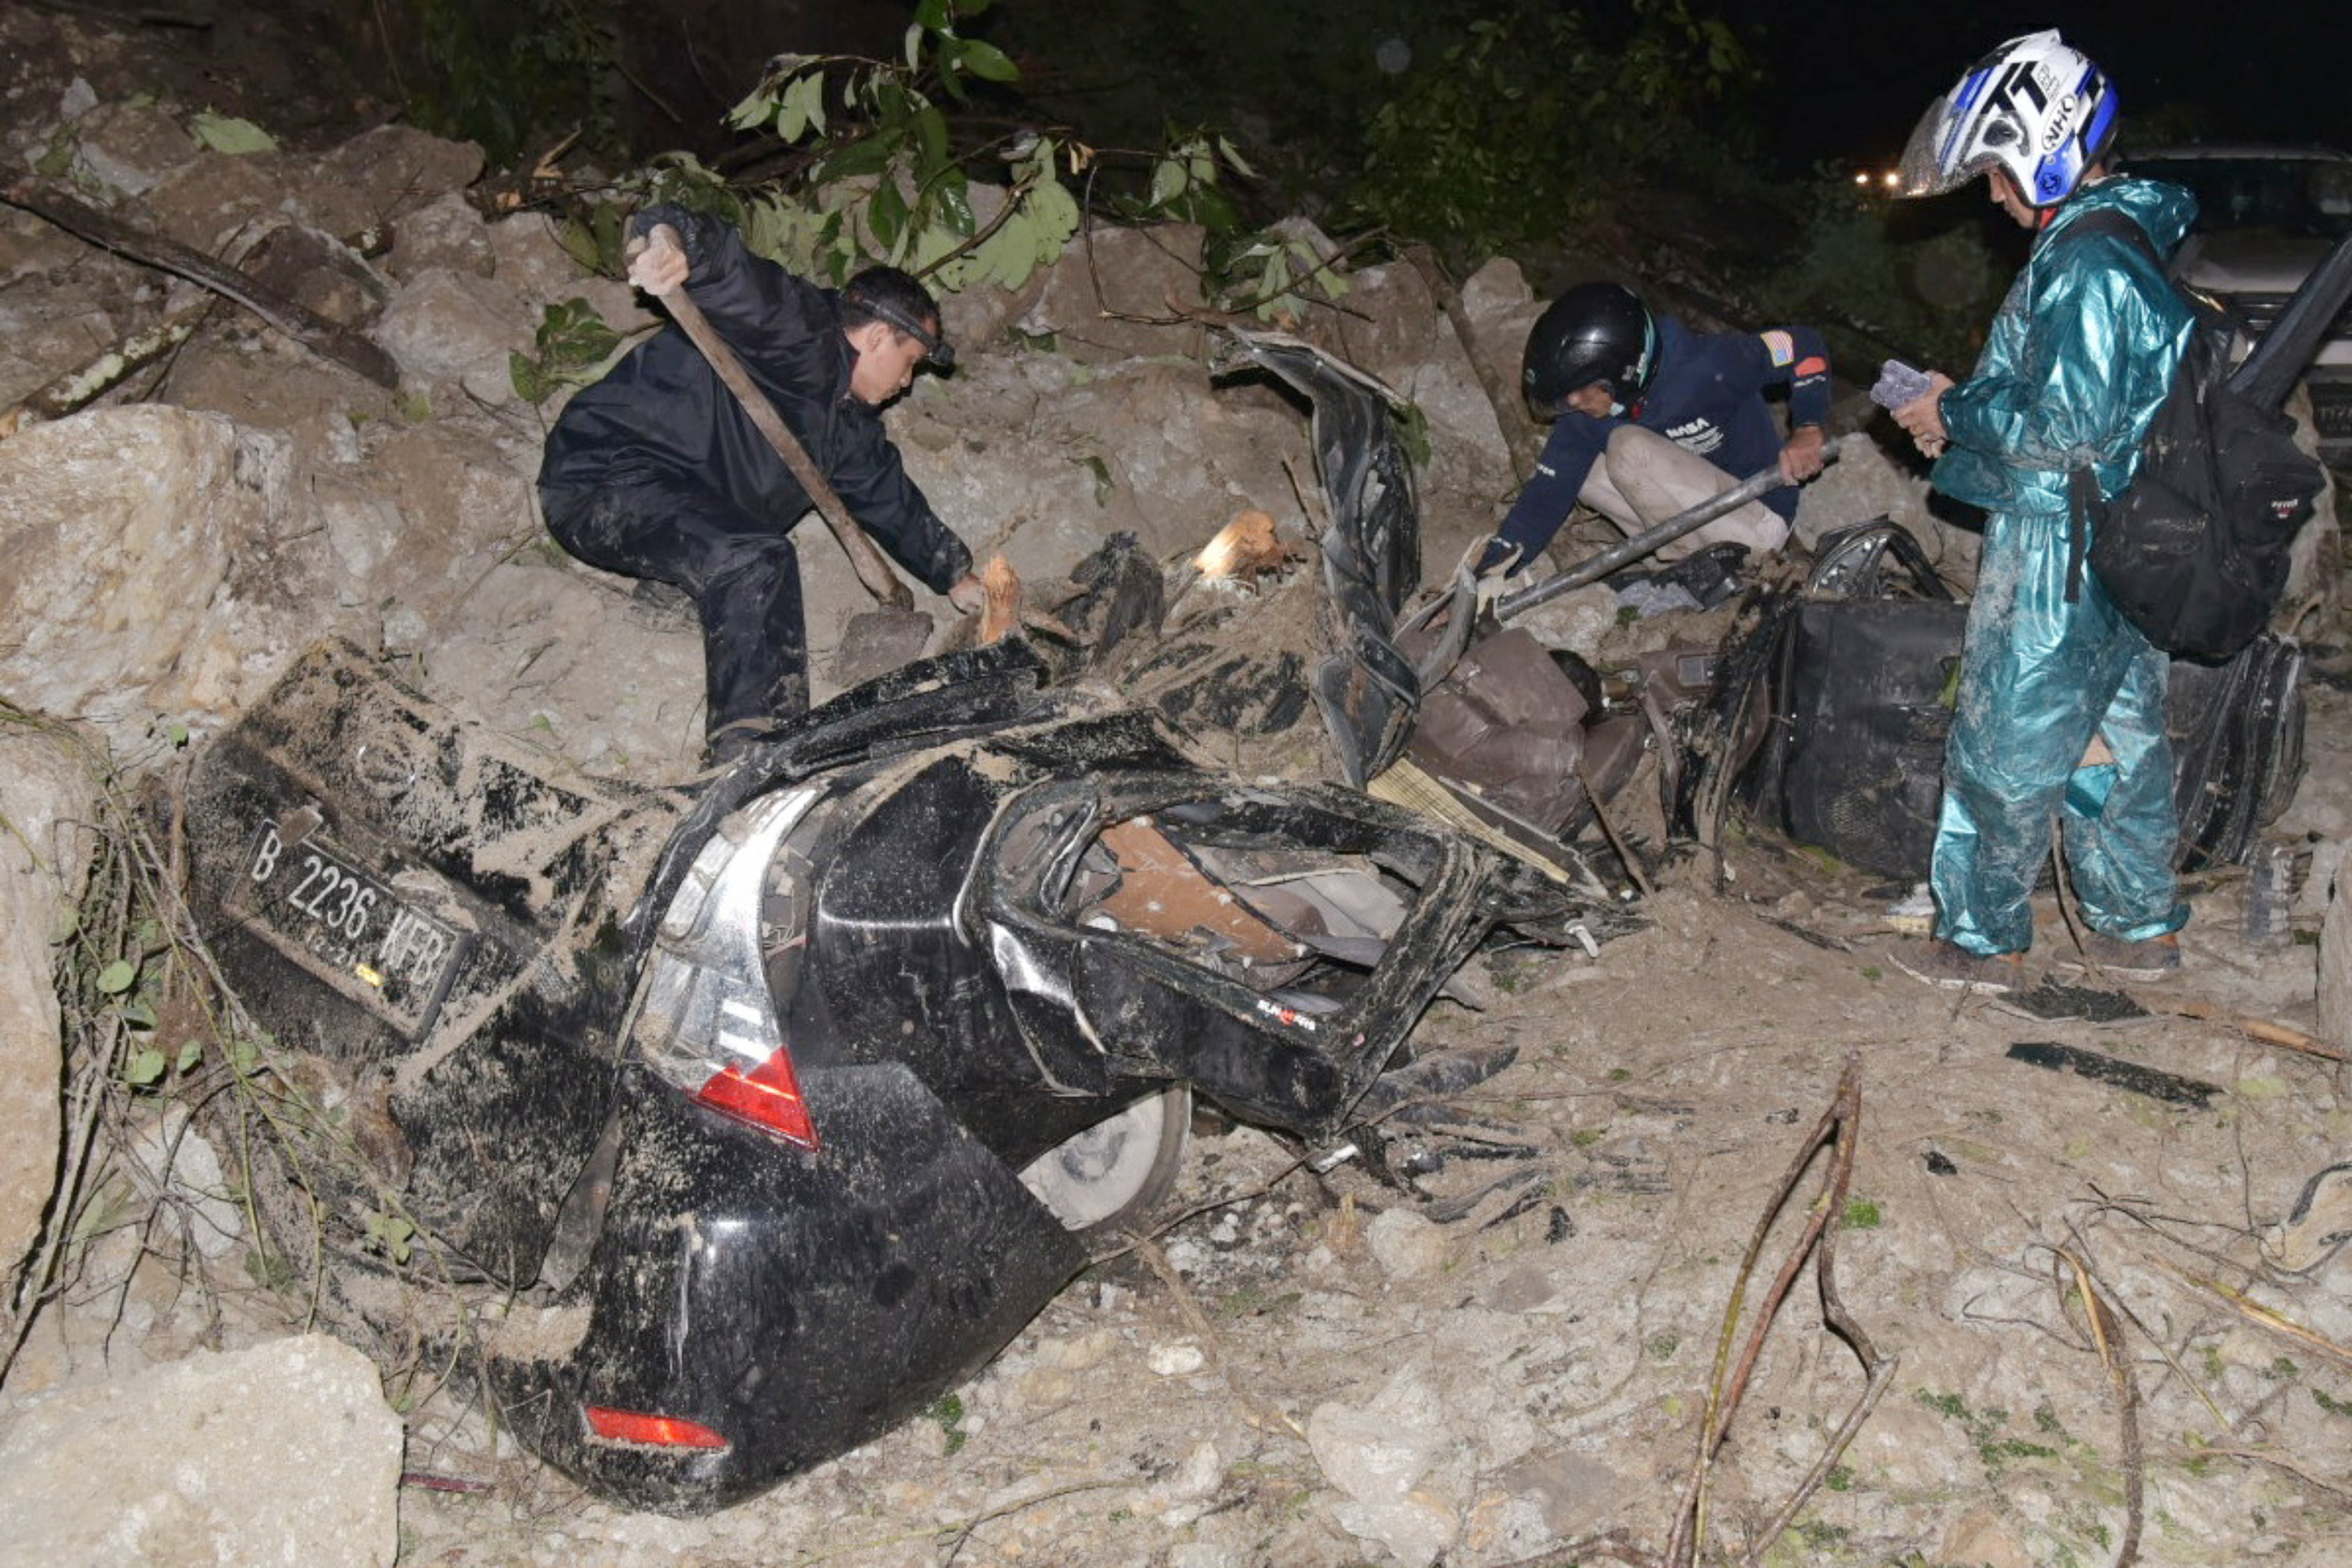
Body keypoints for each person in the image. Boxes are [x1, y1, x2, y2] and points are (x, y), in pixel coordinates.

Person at [1885, 28, 2197, 992]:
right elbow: (2087, 418)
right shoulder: (2117, 242)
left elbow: (2065, 427)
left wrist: (1955, 408)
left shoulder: (2089, 264)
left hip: (2061, 544)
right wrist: (1964, 422)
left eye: (1995, 169)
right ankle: (2135, 927)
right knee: (2114, 735)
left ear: (2042, 148)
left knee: (2003, 740)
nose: (1989, 192)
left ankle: (1980, 940)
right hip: (2115, 530)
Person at [538, 203, 984, 764]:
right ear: (875, 338)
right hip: (602, 476)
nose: (908, 382)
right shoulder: (796, 329)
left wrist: (955, 574)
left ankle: (671, 587)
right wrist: (677, 247)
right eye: (910, 362)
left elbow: (886, 497)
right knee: (757, 558)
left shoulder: (848, 425)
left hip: (674, 504)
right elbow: (731, 269)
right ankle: (754, 751)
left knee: (746, 537)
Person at [1478, 282, 1832, 576]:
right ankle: (1685, 571)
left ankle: (1713, 571)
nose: (1575, 404)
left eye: (1584, 391)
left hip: (1758, 522)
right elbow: (1546, 495)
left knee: (1627, 447)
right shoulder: (1588, 411)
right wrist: (1490, 572)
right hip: (1696, 530)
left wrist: (1808, 427)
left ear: (1626, 372)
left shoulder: (1706, 366)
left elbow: (1803, 346)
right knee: (1583, 475)